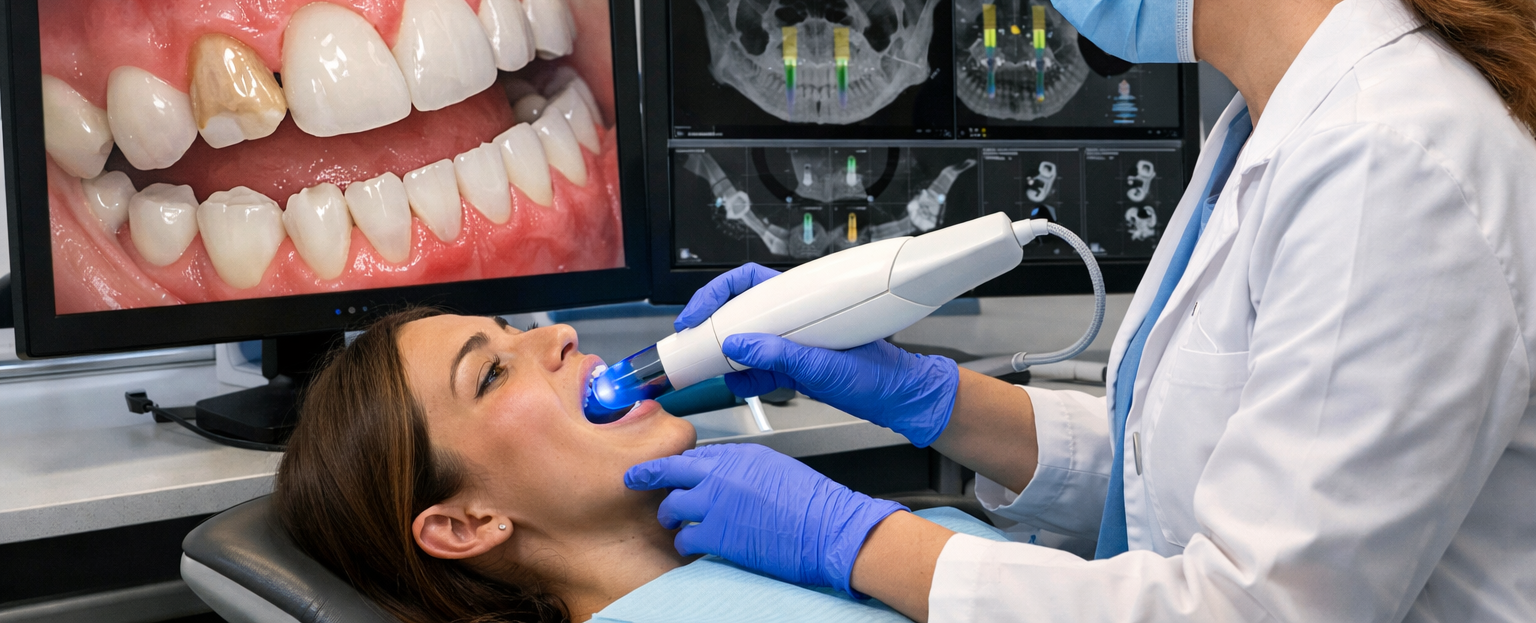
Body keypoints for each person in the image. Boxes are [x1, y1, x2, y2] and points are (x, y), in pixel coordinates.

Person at [623, 0, 1536, 623]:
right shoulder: (1267, 126)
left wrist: (864, 542)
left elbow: (1261, 609)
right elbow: (1169, 474)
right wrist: (920, 393)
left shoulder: (1388, 159)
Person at [273, 307, 1010, 623]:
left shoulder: (780, 552)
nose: (557, 335)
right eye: (492, 374)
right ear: (467, 524)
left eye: (511, 331)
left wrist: (929, 397)